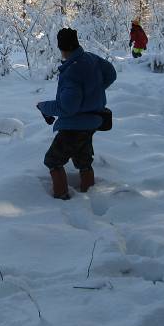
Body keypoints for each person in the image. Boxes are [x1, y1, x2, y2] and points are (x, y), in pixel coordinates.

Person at [37, 28, 117, 200]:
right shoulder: (91, 58)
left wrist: (44, 106)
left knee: (53, 161)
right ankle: (91, 194)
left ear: (62, 48)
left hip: (74, 126)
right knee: (83, 160)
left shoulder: (71, 72)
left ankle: (62, 197)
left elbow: (67, 108)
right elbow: (111, 73)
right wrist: (94, 92)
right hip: (93, 121)